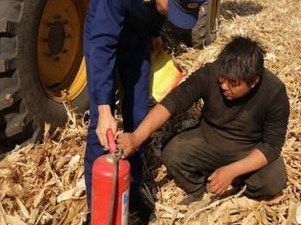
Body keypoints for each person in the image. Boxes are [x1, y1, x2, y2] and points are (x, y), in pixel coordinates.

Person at [83, 0, 211, 225]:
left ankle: (134, 189)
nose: (172, 15)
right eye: (173, 9)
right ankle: (97, 208)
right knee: (101, 127)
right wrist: (104, 108)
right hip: (103, 30)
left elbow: (160, 14)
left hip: (138, 36)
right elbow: (102, 43)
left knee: (138, 114)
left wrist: (154, 34)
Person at [117, 36, 290, 204]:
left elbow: (271, 146)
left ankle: (235, 181)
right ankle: (200, 189)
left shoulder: (274, 92)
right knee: (172, 153)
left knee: (273, 181)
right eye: (223, 77)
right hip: (208, 140)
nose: (224, 86)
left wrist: (233, 170)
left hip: (247, 150)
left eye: (233, 83)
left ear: (253, 82)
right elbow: (173, 101)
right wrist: (137, 137)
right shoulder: (211, 73)